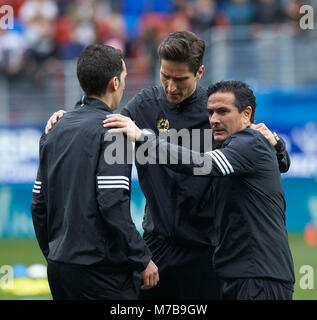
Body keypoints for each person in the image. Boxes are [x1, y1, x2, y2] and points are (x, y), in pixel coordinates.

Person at [44, 31, 290, 300]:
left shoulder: (216, 110)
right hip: (157, 246)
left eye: (180, 79)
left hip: (206, 248)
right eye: (165, 76)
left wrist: (277, 144)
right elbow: (100, 123)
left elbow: (268, 157)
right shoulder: (144, 106)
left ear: (199, 73)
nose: (171, 87)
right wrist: (70, 118)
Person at [104, 80, 295, 300]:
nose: (214, 120)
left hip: (260, 275)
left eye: (223, 111)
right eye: (210, 112)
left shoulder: (249, 143)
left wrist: (142, 137)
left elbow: (201, 163)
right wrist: (279, 143)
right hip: (241, 273)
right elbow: (282, 162)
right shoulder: (240, 144)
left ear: (246, 114)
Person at [30, 44, 159, 300]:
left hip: (60, 268)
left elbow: (38, 205)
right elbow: (112, 204)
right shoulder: (115, 132)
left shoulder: (54, 128)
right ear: (114, 82)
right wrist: (142, 258)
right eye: (124, 78)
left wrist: (53, 253)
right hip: (101, 273)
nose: (124, 84)